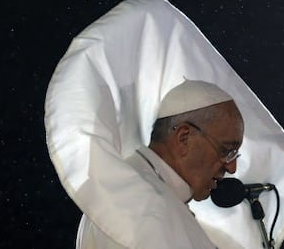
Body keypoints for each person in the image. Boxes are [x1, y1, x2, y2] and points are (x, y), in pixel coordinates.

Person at [76, 80, 244, 249]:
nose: (232, 167)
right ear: (183, 138)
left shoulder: (128, 186)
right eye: (227, 151)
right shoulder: (146, 205)